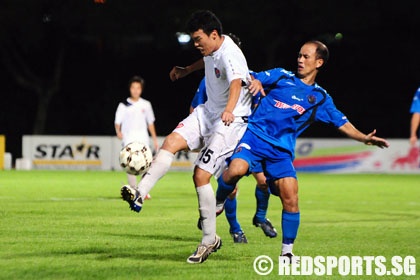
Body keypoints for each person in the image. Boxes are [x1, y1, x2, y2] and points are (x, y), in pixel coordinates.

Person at [215, 40, 390, 262]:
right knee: (236, 170)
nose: (300, 59)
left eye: (306, 57)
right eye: (299, 55)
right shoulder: (281, 76)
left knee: (291, 195)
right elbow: (244, 74)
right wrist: (256, 80)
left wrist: (364, 137)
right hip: (255, 137)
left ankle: (287, 252)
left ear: (319, 62)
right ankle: (219, 201)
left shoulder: (319, 98)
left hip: (280, 152)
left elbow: (341, 122)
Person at [120, 10, 256, 263]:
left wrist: (228, 109)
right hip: (209, 112)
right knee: (170, 142)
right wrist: (186, 70)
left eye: (197, 39)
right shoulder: (212, 50)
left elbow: (236, 82)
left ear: (214, 35)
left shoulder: (231, 53)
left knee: (200, 175)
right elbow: (206, 63)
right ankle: (140, 193)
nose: (195, 44)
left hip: (230, 121)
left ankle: (209, 240)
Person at [189, 33, 277, 244]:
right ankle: (235, 229)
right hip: (225, 135)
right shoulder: (211, 77)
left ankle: (260, 217)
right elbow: (195, 106)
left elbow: (267, 98)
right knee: (231, 187)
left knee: (264, 182)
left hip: (249, 137)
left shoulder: (251, 77)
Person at [115, 75, 159, 199]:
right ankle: (134, 190)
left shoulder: (146, 105)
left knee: (146, 165)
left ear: (141, 89)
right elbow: (117, 121)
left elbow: (150, 123)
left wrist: (155, 139)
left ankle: (143, 190)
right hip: (128, 140)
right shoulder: (123, 105)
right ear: (130, 89)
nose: (135, 90)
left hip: (143, 140)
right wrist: (118, 131)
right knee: (130, 165)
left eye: (138, 88)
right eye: (133, 87)